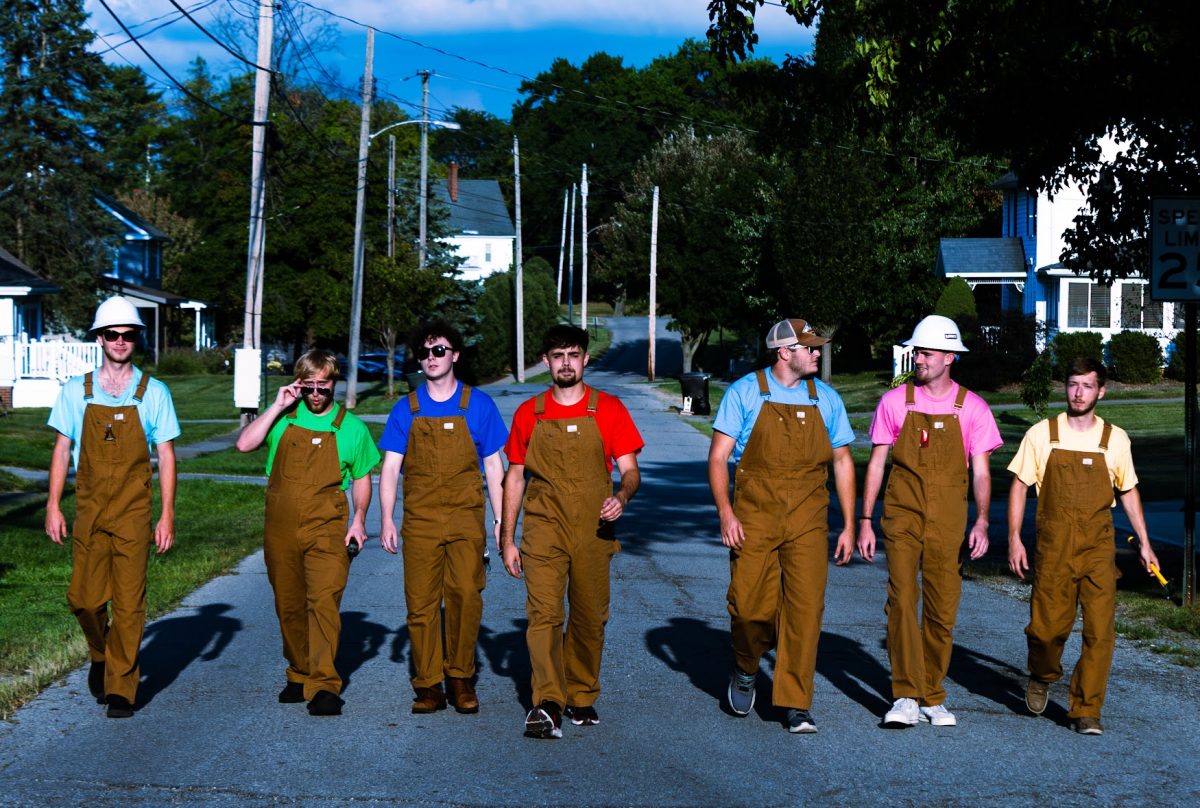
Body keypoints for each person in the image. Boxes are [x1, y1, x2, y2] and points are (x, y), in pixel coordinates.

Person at [708, 318, 857, 734]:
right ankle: (745, 666)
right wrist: (726, 512)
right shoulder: (745, 392)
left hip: (808, 518)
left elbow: (843, 461)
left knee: (805, 611)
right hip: (754, 515)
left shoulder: (825, 398)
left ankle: (795, 702)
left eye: (816, 347)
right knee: (749, 608)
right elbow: (719, 457)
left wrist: (847, 524)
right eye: (808, 347)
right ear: (784, 352)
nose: (816, 353)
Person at [857, 314, 1001, 728]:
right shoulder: (894, 402)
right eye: (917, 351)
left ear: (949, 357)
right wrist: (865, 518)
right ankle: (904, 694)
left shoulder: (972, 408)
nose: (918, 358)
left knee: (942, 609)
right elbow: (877, 465)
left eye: (926, 352)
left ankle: (931, 694)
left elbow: (982, 472)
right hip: (902, 514)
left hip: (950, 520)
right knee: (902, 600)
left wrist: (982, 522)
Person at [500, 324, 643, 739]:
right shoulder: (530, 413)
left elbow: (631, 470)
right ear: (546, 361)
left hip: (594, 528)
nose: (566, 362)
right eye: (558, 355)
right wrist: (508, 539)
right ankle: (547, 701)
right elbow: (514, 478)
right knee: (543, 614)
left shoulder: (609, 409)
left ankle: (580, 693)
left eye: (573, 355)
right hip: (544, 526)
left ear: (584, 359)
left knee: (589, 617)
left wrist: (623, 496)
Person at [1007, 357, 1160, 736]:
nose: (1078, 393)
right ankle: (1042, 675)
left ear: (1101, 391)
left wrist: (1145, 543)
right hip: (1054, 546)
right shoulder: (1043, 434)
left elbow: (1128, 491)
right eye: (1073, 384)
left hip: (1098, 548)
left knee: (1100, 632)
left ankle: (1086, 709)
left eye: (1087, 386)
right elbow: (1019, 486)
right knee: (1046, 630)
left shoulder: (1116, 439)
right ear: (1066, 387)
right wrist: (1013, 538)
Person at [44, 296, 180, 718]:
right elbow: (62, 449)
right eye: (112, 334)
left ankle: (121, 686)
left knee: (128, 601)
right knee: (84, 599)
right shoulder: (76, 390)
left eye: (128, 334)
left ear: (135, 338)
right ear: (99, 339)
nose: (120, 341)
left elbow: (168, 455)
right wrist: (53, 505)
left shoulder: (153, 392)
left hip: (134, 512)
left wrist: (167, 514)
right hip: (89, 509)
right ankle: (100, 654)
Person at [235, 349, 379, 717]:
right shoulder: (283, 420)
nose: (316, 394)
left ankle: (324, 685)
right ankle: (299, 672)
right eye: (309, 386)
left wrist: (359, 519)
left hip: (327, 527)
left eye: (323, 387)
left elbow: (362, 479)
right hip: (281, 527)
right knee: (289, 605)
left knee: (324, 603)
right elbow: (244, 444)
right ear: (299, 384)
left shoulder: (352, 428)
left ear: (334, 384)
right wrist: (276, 405)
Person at [378, 320, 507, 715]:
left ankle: (461, 677)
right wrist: (386, 519)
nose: (431, 358)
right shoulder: (407, 408)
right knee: (421, 604)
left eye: (439, 351)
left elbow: (495, 469)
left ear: (454, 355)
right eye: (424, 352)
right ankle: (428, 685)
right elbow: (389, 469)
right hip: (420, 522)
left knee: (466, 597)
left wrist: (502, 522)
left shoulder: (478, 404)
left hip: (467, 520)